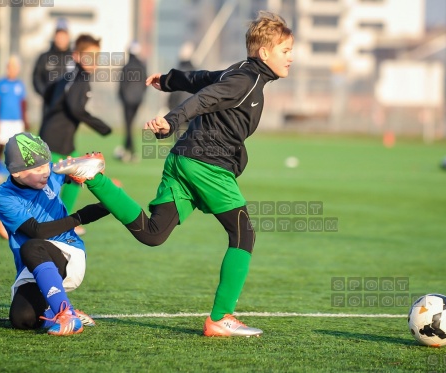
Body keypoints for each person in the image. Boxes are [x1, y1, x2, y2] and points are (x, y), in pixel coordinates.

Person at [53, 11, 293, 337]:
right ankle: (220, 317)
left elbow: (202, 78)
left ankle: (94, 177)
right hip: (207, 165)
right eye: (285, 50)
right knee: (244, 235)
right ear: (264, 53)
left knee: (153, 233)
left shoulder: (241, 71)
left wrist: (169, 80)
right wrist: (173, 119)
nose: (290, 57)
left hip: (184, 159)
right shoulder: (246, 81)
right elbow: (204, 97)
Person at [0, 132, 110, 335]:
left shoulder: (49, 176)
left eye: (46, 164)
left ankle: (68, 316)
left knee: (31, 246)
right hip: (35, 262)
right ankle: (59, 308)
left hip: (68, 253)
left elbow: (79, 168)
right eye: (37, 168)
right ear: (16, 172)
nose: (45, 172)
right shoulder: (4, 195)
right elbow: (37, 231)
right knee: (22, 319)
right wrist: (81, 216)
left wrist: (89, 165)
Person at [39, 34, 112, 235]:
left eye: (97, 58)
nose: (94, 62)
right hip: (56, 140)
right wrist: (102, 127)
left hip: (59, 137)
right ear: (77, 56)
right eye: (89, 56)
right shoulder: (81, 79)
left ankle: (63, 221)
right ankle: (3, 219)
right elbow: (75, 107)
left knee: (74, 178)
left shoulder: (68, 76)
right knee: (46, 186)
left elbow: (48, 93)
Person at [0, 56, 28, 240]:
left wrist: (25, 121)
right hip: (3, 121)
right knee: (1, 146)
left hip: (16, 121)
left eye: (15, 67)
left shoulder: (20, 86)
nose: (13, 69)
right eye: (10, 66)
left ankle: (13, 173)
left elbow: (23, 104)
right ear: (7, 68)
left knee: (17, 150)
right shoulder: (0, 84)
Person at [115, 41, 147, 163]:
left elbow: (122, 85)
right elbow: (146, 84)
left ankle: (132, 151)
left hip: (127, 101)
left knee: (128, 126)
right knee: (130, 125)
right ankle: (127, 148)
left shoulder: (126, 66)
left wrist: (121, 97)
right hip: (138, 100)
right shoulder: (142, 66)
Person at [32, 18, 74, 98]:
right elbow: (37, 78)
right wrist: (46, 94)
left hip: (68, 105)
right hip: (49, 106)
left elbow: (81, 78)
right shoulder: (45, 57)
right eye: (59, 34)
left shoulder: (75, 57)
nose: (61, 38)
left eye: (63, 34)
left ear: (68, 36)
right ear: (54, 36)